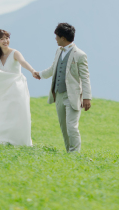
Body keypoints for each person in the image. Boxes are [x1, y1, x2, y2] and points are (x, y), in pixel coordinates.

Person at [34, 23, 92, 153]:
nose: (55, 39)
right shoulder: (59, 51)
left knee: (72, 127)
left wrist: (87, 97)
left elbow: (85, 77)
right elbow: (53, 68)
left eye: (57, 36)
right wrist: (40, 75)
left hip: (73, 96)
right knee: (64, 127)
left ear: (63, 38)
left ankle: (75, 154)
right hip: (58, 95)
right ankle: (68, 153)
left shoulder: (80, 55)